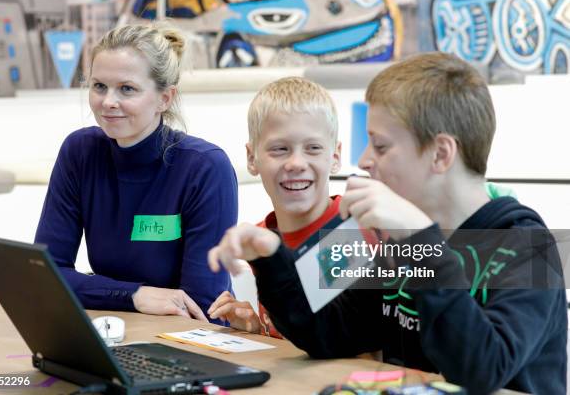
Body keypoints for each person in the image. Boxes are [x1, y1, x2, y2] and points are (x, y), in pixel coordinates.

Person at [208, 53, 567, 394]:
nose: (364, 160)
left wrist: (422, 241)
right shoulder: (399, 246)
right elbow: (329, 334)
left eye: (380, 147)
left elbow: (481, 370)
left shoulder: (527, 247)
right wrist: (272, 257)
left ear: (440, 154)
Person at [35, 22, 238, 322]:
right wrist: (135, 295)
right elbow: (46, 274)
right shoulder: (79, 151)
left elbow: (200, 307)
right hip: (112, 330)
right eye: (99, 86)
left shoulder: (205, 167)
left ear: (164, 98)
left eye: (127, 89)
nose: (108, 102)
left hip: (186, 343)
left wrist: (103, 291)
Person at [206, 76, 342, 337]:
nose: (296, 163)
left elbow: (340, 342)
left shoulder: (355, 233)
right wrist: (258, 329)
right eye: (280, 149)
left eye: (313, 148)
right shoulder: (260, 238)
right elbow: (298, 336)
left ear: (335, 157)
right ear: (251, 157)